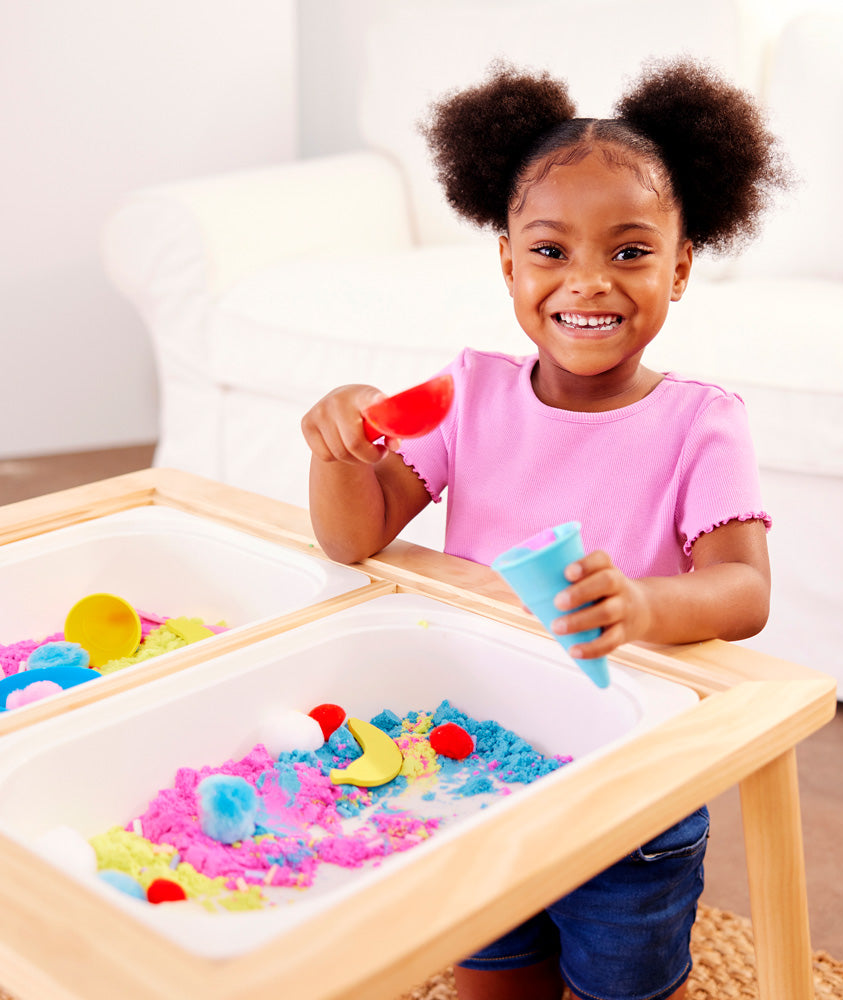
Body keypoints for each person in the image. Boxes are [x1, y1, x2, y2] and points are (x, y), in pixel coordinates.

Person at [302, 58, 790, 1000]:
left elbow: (745, 591)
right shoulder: (470, 393)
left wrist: (642, 603)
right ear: (509, 262)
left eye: (632, 251)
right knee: (490, 976)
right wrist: (341, 451)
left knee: (626, 986)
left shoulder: (703, 422)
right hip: (477, 759)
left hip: (631, 787)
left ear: (682, 266)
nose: (590, 283)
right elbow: (354, 538)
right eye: (553, 251)